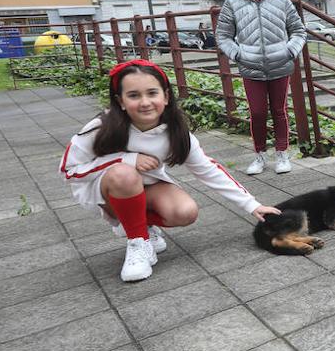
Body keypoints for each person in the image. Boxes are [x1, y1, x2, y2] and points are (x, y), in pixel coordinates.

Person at [61, 59, 279, 282]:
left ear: (165, 96)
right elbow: (69, 169)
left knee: (185, 211)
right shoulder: (102, 127)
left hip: (148, 188)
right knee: (124, 174)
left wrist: (253, 205)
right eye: (134, 95)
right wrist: (127, 159)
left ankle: (141, 226)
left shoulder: (176, 132)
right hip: (106, 190)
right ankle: (137, 243)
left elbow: (208, 169)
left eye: (152, 93)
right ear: (121, 101)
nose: (145, 102)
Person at [215, 0, 306, 175]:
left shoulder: (282, 2)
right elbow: (222, 36)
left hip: (280, 66)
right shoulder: (232, 3)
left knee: (279, 110)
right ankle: (260, 156)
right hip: (250, 68)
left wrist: (290, 51)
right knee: (256, 113)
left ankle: (282, 153)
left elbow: (298, 31)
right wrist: (238, 55)